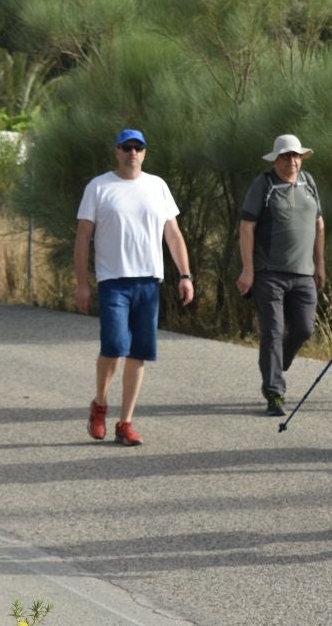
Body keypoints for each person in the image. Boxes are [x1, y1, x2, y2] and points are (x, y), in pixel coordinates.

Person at [76, 129, 194, 447]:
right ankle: (100, 404)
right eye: (127, 147)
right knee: (114, 345)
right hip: (113, 280)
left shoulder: (157, 186)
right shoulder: (99, 187)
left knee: (139, 352)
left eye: (138, 148)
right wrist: (82, 284)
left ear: (145, 153)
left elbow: (173, 234)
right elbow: (83, 236)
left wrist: (185, 275)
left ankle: (125, 422)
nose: (132, 153)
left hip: (148, 281)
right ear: (116, 151)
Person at [237, 135, 326, 417]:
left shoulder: (308, 183)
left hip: (303, 273)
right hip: (268, 273)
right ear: (276, 159)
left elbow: (319, 225)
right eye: (286, 156)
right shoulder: (263, 185)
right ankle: (274, 392)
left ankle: (278, 361)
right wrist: (248, 270)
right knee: (273, 333)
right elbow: (247, 227)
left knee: (304, 328)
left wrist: (320, 264)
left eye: (296, 156)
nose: (292, 161)